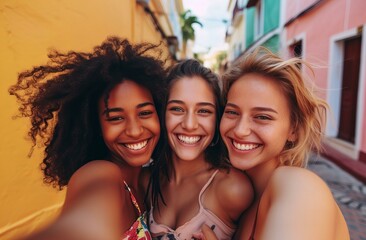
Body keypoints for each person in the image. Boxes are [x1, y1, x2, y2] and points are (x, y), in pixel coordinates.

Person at [9, 37, 167, 240]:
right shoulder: (99, 173)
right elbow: (82, 225)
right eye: (116, 118)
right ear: (96, 126)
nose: (135, 131)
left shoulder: (149, 179)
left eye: (145, 113)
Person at [204, 47, 349, 239]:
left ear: (294, 130)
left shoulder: (299, 186)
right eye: (232, 112)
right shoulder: (243, 198)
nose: (240, 129)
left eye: (262, 117)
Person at [147, 59, 254, 240]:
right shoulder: (147, 181)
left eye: (204, 111)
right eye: (177, 109)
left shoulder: (234, 189)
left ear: (217, 119)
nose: (189, 125)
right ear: (162, 113)